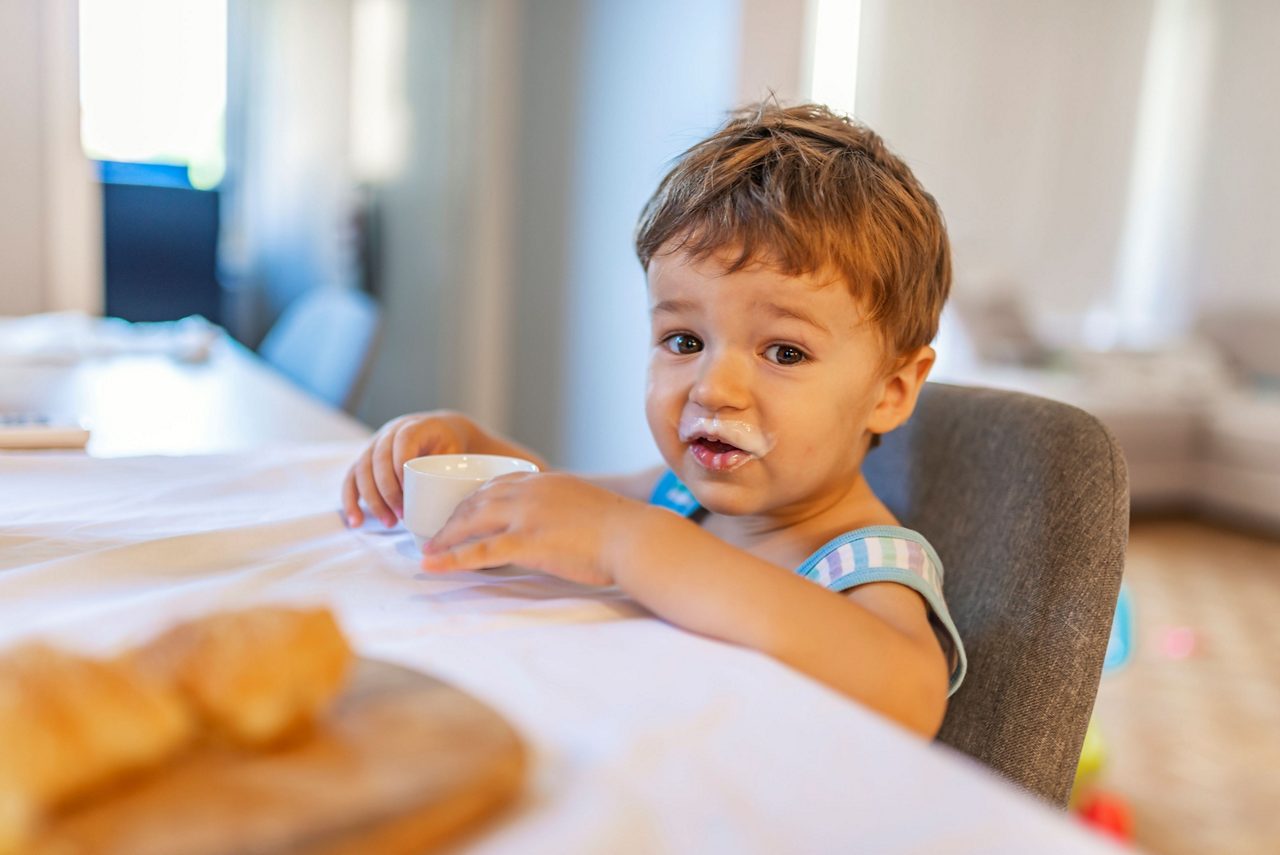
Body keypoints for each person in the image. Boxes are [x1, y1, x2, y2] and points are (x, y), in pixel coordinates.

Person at [341, 102, 966, 738]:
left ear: (889, 392)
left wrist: (631, 545)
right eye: (685, 341)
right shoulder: (679, 498)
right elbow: (566, 512)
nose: (714, 388)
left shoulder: (867, 564)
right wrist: (472, 451)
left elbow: (910, 696)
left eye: (785, 352)